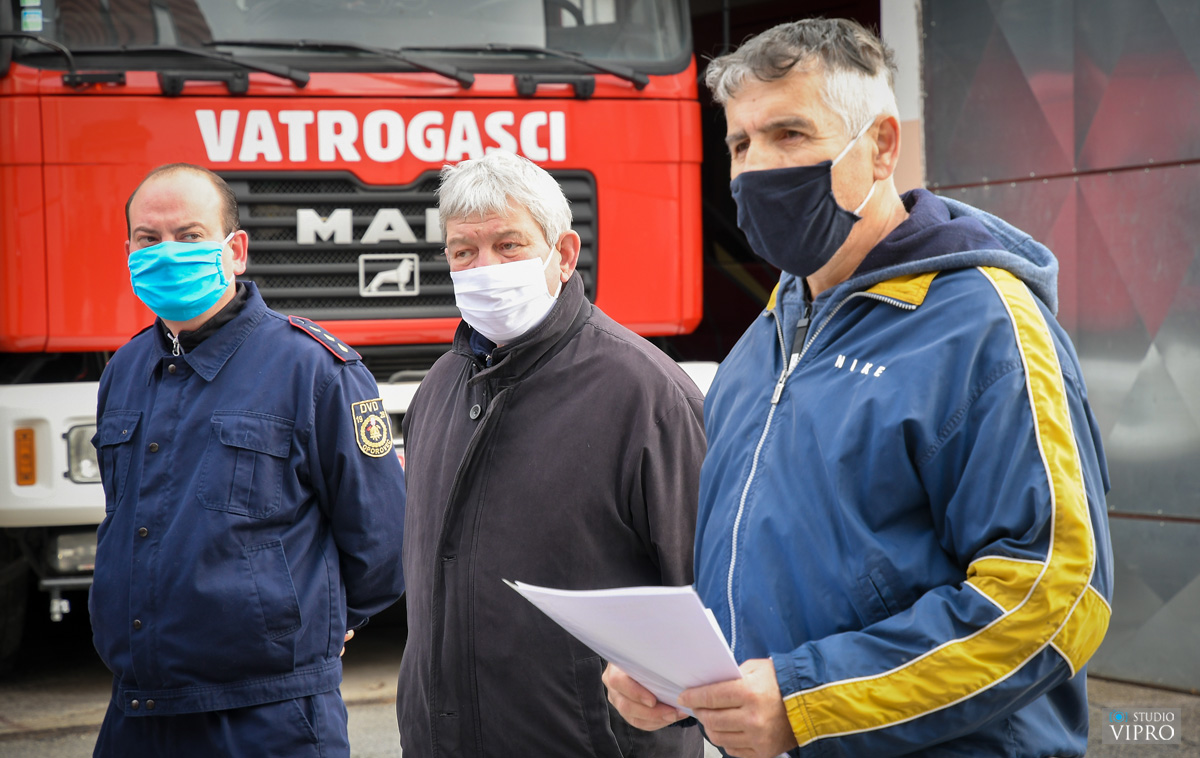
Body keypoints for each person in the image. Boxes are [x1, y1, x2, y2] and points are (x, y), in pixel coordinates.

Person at [604, 18, 1113, 758]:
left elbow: (1054, 596)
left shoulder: (985, 328)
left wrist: (808, 701)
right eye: (740, 145)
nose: (757, 168)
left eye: (789, 134)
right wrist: (683, 686)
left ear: (880, 147)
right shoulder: (763, 342)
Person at [396, 150, 706, 757]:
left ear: (563, 255)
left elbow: (710, 599)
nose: (484, 268)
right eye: (464, 251)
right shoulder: (439, 388)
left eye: (508, 245)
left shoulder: (647, 396)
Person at [90, 163, 407, 757]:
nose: (166, 253)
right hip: (137, 713)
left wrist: (319, 621)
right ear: (128, 252)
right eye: (148, 239)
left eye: (189, 236)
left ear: (235, 251)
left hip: (270, 717)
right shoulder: (125, 370)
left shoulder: (314, 369)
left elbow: (384, 539)